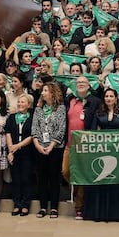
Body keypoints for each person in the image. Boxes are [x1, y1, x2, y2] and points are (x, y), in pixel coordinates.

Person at [84, 88, 119, 221]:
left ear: (116, 98)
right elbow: (92, 132)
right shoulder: (98, 113)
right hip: (101, 152)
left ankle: (115, 214)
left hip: (117, 153)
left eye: (111, 96)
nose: (108, 98)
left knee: (114, 181)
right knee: (100, 180)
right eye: (106, 96)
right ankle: (97, 213)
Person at [62, 76, 100, 219]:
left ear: (89, 85)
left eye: (83, 82)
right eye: (78, 83)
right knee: (65, 171)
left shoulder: (95, 101)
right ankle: (77, 190)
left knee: (82, 176)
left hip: (85, 145)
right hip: (69, 144)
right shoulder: (70, 100)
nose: (80, 84)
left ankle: (79, 208)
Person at [32, 82, 66, 218]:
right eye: (42, 91)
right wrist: (38, 145)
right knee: (42, 178)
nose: (42, 93)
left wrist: (51, 145)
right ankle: (42, 207)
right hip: (40, 147)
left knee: (54, 178)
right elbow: (34, 128)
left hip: (55, 148)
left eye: (45, 90)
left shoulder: (61, 108)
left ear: (53, 92)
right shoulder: (38, 109)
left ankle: (54, 207)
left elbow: (61, 129)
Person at [5, 93, 34, 217]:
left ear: (29, 104)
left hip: (27, 152)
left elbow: (32, 135)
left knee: (26, 178)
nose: (20, 104)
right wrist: (11, 150)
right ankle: (17, 204)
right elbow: (8, 133)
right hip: (14, 152)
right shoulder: (12, 117)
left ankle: (26, 204)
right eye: (19, 102)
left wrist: (18, 146)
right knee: (15, 179)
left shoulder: (32, 117)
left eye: (23, 102)